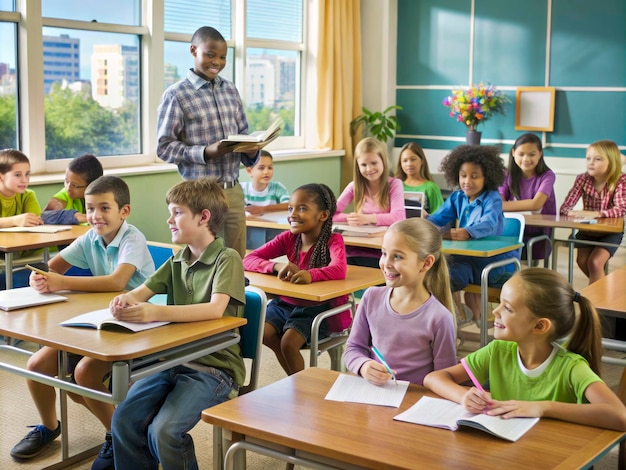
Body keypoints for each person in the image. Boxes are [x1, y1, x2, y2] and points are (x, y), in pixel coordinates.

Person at [12, 175, 154, 470]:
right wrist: (37, 276)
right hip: (96, 320)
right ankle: (49, 427)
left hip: (134, 323)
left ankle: (120, 437)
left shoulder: (133, 238)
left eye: (104, 208)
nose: (95, 216)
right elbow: (50, 268)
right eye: (90, 209)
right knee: (37, 367)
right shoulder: (90, 237)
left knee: (84, 373)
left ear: (124, 212)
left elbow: (118, 282)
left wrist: (60, 281)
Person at [110, 177, 246, 470]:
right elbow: (139, 293)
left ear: (203, 217)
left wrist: (155, 313)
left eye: (177, 212)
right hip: (172, 360)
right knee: (123, 419)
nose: (169, 219)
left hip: (215, 368)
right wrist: (124, 301)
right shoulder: (177, 259)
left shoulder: (227, 258)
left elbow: (215, 309)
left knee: (165, 431)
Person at [424, 268, 626, 432]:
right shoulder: (498, 351)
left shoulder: (571, 367)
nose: (495, 311)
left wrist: (543, 408)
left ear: (539, 326)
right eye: (499, 303)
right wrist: (462, 396)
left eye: (508, 308)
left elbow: (620, 416)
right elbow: (433, 378)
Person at [156, 26, 258, 259]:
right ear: (193, 51)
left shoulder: (230, 90)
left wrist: (252, 150)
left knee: (234, 258)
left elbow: (242, 132)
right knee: (204, 259)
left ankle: (234, 297)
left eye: (222, 57)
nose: (217, 62)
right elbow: (163, 147)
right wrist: (205, 152)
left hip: (232, 191)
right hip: (198, 195)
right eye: (210, 55)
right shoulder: (176, 95)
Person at [243, 183, 348, 375]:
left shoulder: (333, 241)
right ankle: (295, 378)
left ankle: (299, 386)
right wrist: (276, 266)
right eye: (290, 208)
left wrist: (311, 274)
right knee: (262, 333)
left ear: (323, 215)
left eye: (302, 209)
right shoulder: (288, 238)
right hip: (285, 303)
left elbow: (339, 269)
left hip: (315, 308)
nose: (292, 214)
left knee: (289, 343)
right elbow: (248, 259)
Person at [344, 218, 456, 385]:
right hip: (373, 394)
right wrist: (364, 366)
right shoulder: (371, 297)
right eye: (383, 253)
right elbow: (353, 349)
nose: (386, 263)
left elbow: (443, 379)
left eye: (397, 256)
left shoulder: (439, 317)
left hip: (413, 401)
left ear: (426, 263)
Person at [427, 145, 509, 323]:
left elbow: (488, 223)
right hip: (464, 258)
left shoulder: (492, 198)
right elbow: (437, 218)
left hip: (489, 261)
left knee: (448, 277)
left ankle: (449, 319)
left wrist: (466, 232)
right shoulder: (458, 197)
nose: (467, 181)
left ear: (486, 177)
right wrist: (422, 224)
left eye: (474, 176)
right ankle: (446, 318)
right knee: (435, 275)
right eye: (463, 175)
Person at [559, 140, 626, 284]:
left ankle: (597, 302)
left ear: (612, 161)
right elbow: (565, 207)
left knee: (595, 263)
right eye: (588, 158)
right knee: (582, 261)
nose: (591, 162)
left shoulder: (621, 180)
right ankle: (605, 290)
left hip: (610, 232)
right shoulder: (582, 179)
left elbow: (621, 209)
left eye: (598, 159)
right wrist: (572, 212)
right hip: (588, 230)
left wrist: (597, 213)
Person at [334, 137, 405, 267]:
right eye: (363, 164)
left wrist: (368, 218)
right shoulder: (354, 186)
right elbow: (331, 213)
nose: (369, 168)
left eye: (374, 163)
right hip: (356, 248)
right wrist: (352, 218)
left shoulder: (395, 184)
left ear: (383, 161)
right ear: (358, 166)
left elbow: (399, 217)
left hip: (383, 251)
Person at [499, 133, 556, 264]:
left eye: (532, 154)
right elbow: (498, 202)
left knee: (527, 266)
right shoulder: (507, 174)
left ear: (540, 154)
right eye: (521, 154)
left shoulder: (547, 175)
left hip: (538, 232)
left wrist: (505, 206)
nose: (526, 159)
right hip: (513, 230)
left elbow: (536, 204)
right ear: (513, 153)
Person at [42, 153, 104, 225]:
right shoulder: (65, 195)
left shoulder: (103, 197)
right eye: (66, 181)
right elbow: (44, 216)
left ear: (92, 186)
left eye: (74, 185)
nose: (68, 188)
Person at [395, 142, 444, 214]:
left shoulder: (431, 187)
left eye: (413, 159)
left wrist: (427, 217)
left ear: (422, 161)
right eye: (405, 161)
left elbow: (440, 216)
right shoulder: (396, 186)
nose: (409, 164)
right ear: (400, 164)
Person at [0, 148, 42, 229]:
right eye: (18, 175)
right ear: (1, 176)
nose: (24, 180)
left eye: (27, 174)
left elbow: (35, 223)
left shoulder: (28, 195)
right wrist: (14, 221)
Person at [241, 150, 289, 215]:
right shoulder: (241, 189)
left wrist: (262, 209)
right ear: (249, 171)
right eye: (261, 168)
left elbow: (289, 205)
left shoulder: (277, 187)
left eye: (270, 167)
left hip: (272, 224)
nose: (266, 172)